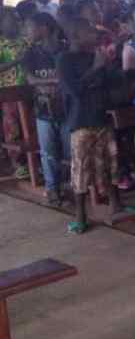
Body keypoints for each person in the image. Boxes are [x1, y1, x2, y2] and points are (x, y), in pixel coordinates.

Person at [59, 17, 126, 233]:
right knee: (81, 168)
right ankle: (80, 216)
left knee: (110, 163)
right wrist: (96, 67)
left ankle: (116, 205)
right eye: (89, 31)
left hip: (101, 117)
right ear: (75, 36)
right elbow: (75, 90)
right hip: (80, 122)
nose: (95, 34)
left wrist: (112, 60)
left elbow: (112, 82)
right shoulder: (65, 60)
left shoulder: (95, 56)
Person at [23, 13, 67, 203]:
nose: (27, 31)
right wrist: (56, 80)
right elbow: (31, 79)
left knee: (68, 149)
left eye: (29, 27)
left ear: (43, 28)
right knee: (48, 151)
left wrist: (48, 82)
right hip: (43, 110)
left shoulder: (65, 49)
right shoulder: (31, 53)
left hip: (67, 108)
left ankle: (70, 184)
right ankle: (52, 188)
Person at [0, 7, 29, 179]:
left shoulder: (26, 41)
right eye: (12, 20)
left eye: (18, 19)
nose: (17, 22)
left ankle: (33, 161)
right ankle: (18, 164)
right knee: (13, 128)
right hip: (9, 93)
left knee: (30, 127)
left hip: (29, 90)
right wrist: (17, 61)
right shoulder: (1, 44)